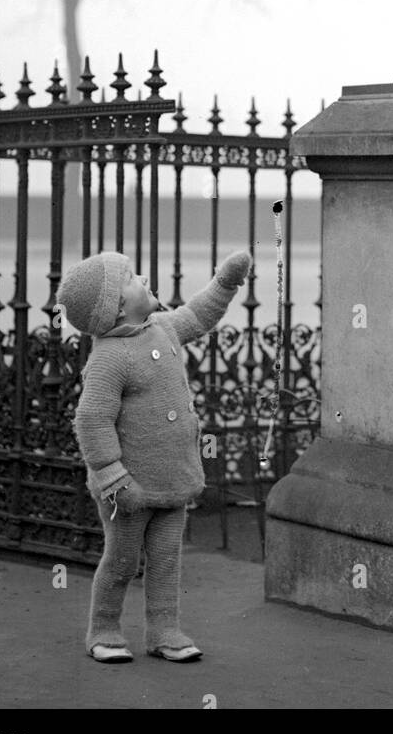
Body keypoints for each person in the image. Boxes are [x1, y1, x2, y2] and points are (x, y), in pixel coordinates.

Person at [58, 248, 251, 663]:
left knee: (166, 561)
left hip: (172, 481)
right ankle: (104, 630)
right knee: (122, 561)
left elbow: (198, 316)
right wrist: (113, 478)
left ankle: (165, 631)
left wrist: (225, 283)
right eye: (131, 278)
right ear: (116, 307)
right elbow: (92, 420)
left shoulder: (161, 326)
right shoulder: (109, 359)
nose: (142, 278)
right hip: (128, 488)